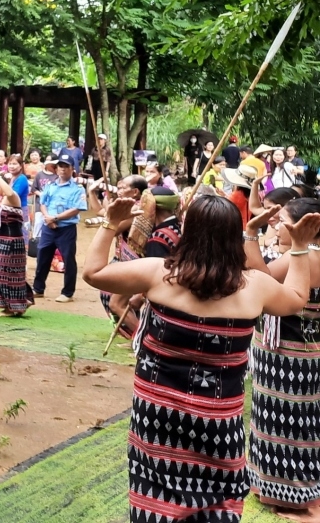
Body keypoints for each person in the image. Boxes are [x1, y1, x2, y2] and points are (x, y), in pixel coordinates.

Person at [83, 194, 319, 523]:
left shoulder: (158, 273)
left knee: (154, 496)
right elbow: (295, 300)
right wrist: (299, 247)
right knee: (218, 502)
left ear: (187, 229)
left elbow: (93, 273)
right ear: (233, 236)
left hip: (156, 416)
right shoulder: (254, 287)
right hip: (218, 421)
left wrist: (109, 224)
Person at [243, 198, 320, 518]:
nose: (276, 225)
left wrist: (250, 232)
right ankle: (274, 487)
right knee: (282, 420)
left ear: (304, 228)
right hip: (289, 352)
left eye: (282, 221)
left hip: (291, 356)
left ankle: (297, 499)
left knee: (290, 425)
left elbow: (260, 277)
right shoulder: (303, 254)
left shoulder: (306, 256)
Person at [96, 175, 149, 335]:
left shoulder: (138, 208)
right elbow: (101, 213)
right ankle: (131, 335)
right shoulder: (131, 206)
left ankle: (140, 339)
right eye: (118, 187)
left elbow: (114, 228)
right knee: (109, 295)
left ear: (134, 192)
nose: (119, 190)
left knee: (117, 304)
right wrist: (94, 194)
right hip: (125, 260)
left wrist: (112, 212)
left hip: (135, 263)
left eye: (122, 187)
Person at [33, 153, 87, 303]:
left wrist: (55, 218)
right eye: (60, 166)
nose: (62, 169)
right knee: (42, 256)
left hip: (66, 229)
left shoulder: (78, 189)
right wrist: (48, 218)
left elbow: (77, 208)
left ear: (72, 169)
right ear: (56, 169)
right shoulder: (50, 186)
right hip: (48, 227)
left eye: (66, 166)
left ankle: (67, 292)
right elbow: (43, 203)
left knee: (68, 259)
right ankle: (38, 289)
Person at [0, 172, 32, 316]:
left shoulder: (13, 196)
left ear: (0, 184)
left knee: (3, 275)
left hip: (11, 242)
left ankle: (11, 308)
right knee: (8, 274)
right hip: (6, 241)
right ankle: (20, 303)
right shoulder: (3, 199)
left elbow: (9, 191)